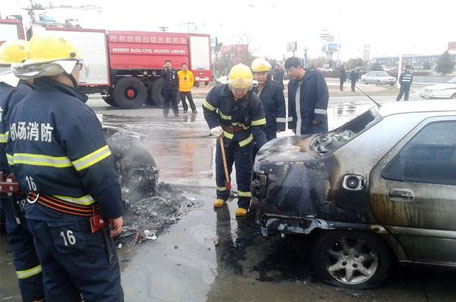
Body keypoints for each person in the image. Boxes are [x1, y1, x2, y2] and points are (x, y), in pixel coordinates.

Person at [8, 33, 124, 301]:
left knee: (58, 287)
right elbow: (100, 175)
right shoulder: (75, 112)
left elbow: (14, 161)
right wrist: (115, 211)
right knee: (101, 289)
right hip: (77, 225)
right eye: (78, 66)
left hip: (39, 217)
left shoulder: (20, 107)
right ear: (66, 68)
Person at [0, 40, 45, 302]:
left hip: (4, 187)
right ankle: (43, 294)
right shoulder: (21, 95)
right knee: (37, 242)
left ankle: (33, 295)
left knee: (19, 243)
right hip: (19, 186)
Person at [203, 63, 267, 217]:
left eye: (243, 90)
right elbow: (208, 109)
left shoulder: (254, 100)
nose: (239, 93)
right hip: (223, 137)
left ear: (249, 87)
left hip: (244, 140)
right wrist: (214, 126)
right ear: (229, 85)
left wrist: (265, 147)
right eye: (237, 89)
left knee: (244, 172)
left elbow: (258, 127)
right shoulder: (218, 92)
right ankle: (221, 196)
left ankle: (243, 204)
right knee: (221, 167)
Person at [285, 57, 329, 135]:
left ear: (298, 67)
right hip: (299, 124)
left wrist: (318, 117)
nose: (289, 73)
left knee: (315, 145)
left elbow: (323, 97)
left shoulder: (315, 77)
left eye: (291, 71)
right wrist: (292, 124)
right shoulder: (291, 84)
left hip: (315, 124)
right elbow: (291, 105)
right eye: (287, 71)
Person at [251, 58, 286, 141]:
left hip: (269, 126)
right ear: (253, 74)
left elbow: (280, 106)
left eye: (263, 74)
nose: (261, 77)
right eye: (258, 74)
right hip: (251, 126)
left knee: (268, 149)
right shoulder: (249, 88)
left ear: (268, 73)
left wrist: (280, 125)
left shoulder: (276, 87)